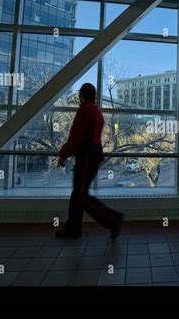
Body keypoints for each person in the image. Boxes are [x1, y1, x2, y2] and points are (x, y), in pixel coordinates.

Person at [56, 83, 124, 240]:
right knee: (79, 194)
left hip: (86, 156)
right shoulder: (96, 110)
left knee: (81, 195)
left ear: (81, 95)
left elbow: (76, 137)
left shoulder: (85, 110)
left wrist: (63, 155)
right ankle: (73, 229)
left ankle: (112, 219)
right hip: (93, 154)